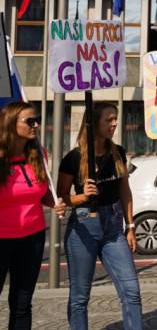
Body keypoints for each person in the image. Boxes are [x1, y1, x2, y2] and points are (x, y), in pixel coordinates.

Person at [57, 102, 142, 330]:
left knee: (131, 290)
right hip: (84, 226)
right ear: (94, 123)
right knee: (80, 296)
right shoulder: (74, 158)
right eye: (109, 120)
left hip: (113, 227)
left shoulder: (118, 153)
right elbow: (61, 197)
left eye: (115, 119)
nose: (115, 124)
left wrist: (130, 226)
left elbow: (124, 190)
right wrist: (82, 196)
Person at [0, 102, 66, 330]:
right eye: (30, 121)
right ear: (11, 124)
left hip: (32, 238)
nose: (36, 125)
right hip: (1, 238)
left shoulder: (39, 154)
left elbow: (42, 193)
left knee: (22, 303)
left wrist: (54, 202)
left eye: (36, 120)